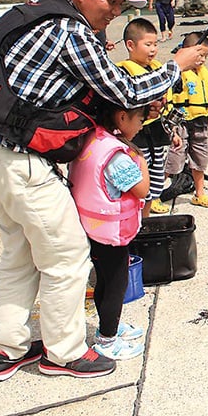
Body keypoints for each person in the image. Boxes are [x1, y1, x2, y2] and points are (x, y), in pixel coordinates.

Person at [0, 0, 207, 382]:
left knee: (21, 254)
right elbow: (121, 85)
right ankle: (63, 354)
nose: (117, 12)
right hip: (17, 161)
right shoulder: (68, 28)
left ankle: (6, 349)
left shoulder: (39, 16)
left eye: (123, 5)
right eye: (112, 1)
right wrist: (176, 65)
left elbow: (79, 92)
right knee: (68, 256)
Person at [69, 98, 150, 361]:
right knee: (116, 283)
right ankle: (107, 339)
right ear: (122, 117)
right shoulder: (117, 156)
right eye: (139, 119)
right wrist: (141, 160)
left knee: (103, 279)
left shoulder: (94, 138)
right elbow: (142, 190)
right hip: (110, 232)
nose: (141, 126)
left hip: (93, 228)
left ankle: (107, 327)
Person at [117, 17, 179, 215]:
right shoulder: (122, 72)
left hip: (158, 132)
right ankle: (137, 216)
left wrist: (173, 132)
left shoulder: (158, 69)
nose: (153, 49)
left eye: (155, 44)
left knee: (156, 175)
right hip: (137, 134)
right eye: (148, 44)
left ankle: (148, 216)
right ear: (130, 45)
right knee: (138, 176)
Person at [165, 32, 208, 208]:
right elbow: (168, 100)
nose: (202, 60)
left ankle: (199, 194)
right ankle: (154, 195)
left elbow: (206, 100)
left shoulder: (203, 73)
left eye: (205, 56)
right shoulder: (177, 74)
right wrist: (171, 128)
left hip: (200, 122)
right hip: (181, 122)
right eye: (199, 55)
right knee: (174, 159)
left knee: (200, 158)